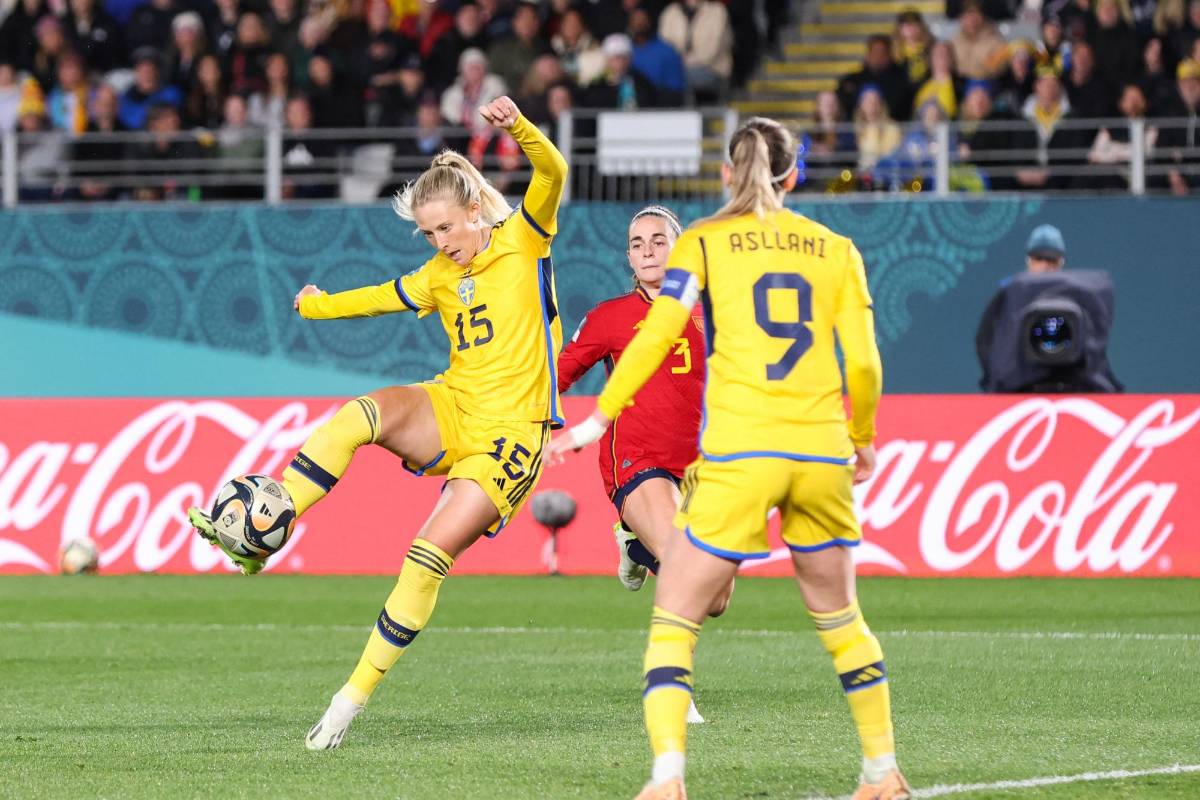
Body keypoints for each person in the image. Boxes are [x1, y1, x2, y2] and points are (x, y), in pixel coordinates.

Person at [188, 95, 568, 752]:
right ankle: (267, 524)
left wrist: (520, 130)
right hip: (455, 405)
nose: (440, 244)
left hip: (513, 434)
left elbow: (555, 172)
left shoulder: (524, 239)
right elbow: (379, 299)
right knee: (362, 414)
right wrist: (317, 308)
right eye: (429, 234)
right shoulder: (439, 275)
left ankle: (348, 699)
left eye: (446, 229)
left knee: (424, 559)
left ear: (475, 211)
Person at [546, 116, 907, 800]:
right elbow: (863, 361)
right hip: (822, 450)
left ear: (725, 176)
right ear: (794, 174)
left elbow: (654, 339)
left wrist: (594, 422)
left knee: (681, 612)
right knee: (840, 616)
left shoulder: (708, 242)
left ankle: (667, 779)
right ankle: (881, 770)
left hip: (739, 452)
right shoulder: (836, 248)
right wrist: (863, 437)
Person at [556, 205, 732, 637]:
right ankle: (673, 691)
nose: (647, 251)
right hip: (637, 460)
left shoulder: (716, 312)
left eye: (658, 241)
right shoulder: (608, 317)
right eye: (637, 244)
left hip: (700, 465)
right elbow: (554, 378)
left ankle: (634, 543)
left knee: (716, 600)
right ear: (630, 259)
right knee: (686, 568)